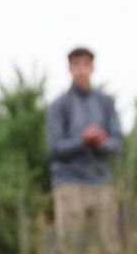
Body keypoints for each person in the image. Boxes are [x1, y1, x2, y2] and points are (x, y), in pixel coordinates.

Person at [47, 48, 123, 237]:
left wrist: (99, 142)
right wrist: (82, 140)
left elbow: (117, 143)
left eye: (85, 65)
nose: (81, 70)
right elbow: (54, 148)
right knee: (71, 247)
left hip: (101, 182)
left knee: (106, 246)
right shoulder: (59, 105)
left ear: (92, 67)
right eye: (76, 65)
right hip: (69, 183)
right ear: (70, 68)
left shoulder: (106, 102)